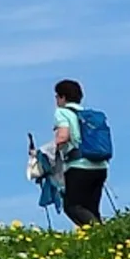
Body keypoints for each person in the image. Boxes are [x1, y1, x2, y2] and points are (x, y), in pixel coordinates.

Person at [50, 79, 108, 226]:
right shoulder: (88, 116)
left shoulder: (62, 112)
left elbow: (63, 136)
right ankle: (102, 239)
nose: (56, 100)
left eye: (57, 96)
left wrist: (47, 150)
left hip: (78, 166)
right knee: (91, 209)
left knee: (72, 206)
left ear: (62, 97)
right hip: (100, 167)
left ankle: (99, 232)